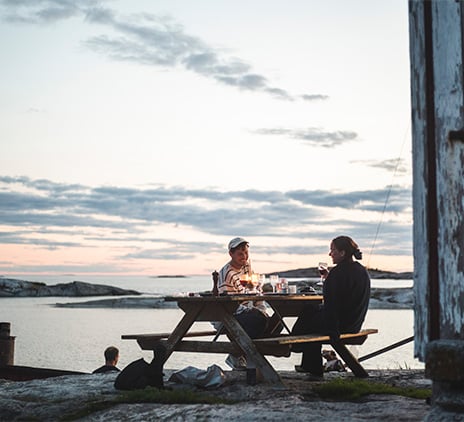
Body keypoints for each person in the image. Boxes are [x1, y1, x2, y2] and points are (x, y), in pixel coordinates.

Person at [291, 235, 370, 379]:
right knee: (312, 312)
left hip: (339, 326)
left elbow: (331, 305)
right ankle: (306, 362)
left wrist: (333, 332)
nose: (330, 254)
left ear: (342, 253)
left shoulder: (338, 273)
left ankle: (300, 352)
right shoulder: (361, 270)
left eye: (333, 250)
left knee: (309, 317)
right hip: (355, 323)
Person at [218, 237, 270, 370]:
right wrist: (252, 311)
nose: (244, 256)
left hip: (249, 310)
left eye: (246, 253)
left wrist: (261, 309)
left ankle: (242, 354)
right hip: (230, 314)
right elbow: (228, 304)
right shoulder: (226, 273)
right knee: (258, 320)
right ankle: (241, 356)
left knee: (276, 323)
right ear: (231, 254)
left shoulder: (247, 267)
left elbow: (256, 291)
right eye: (240, 254)